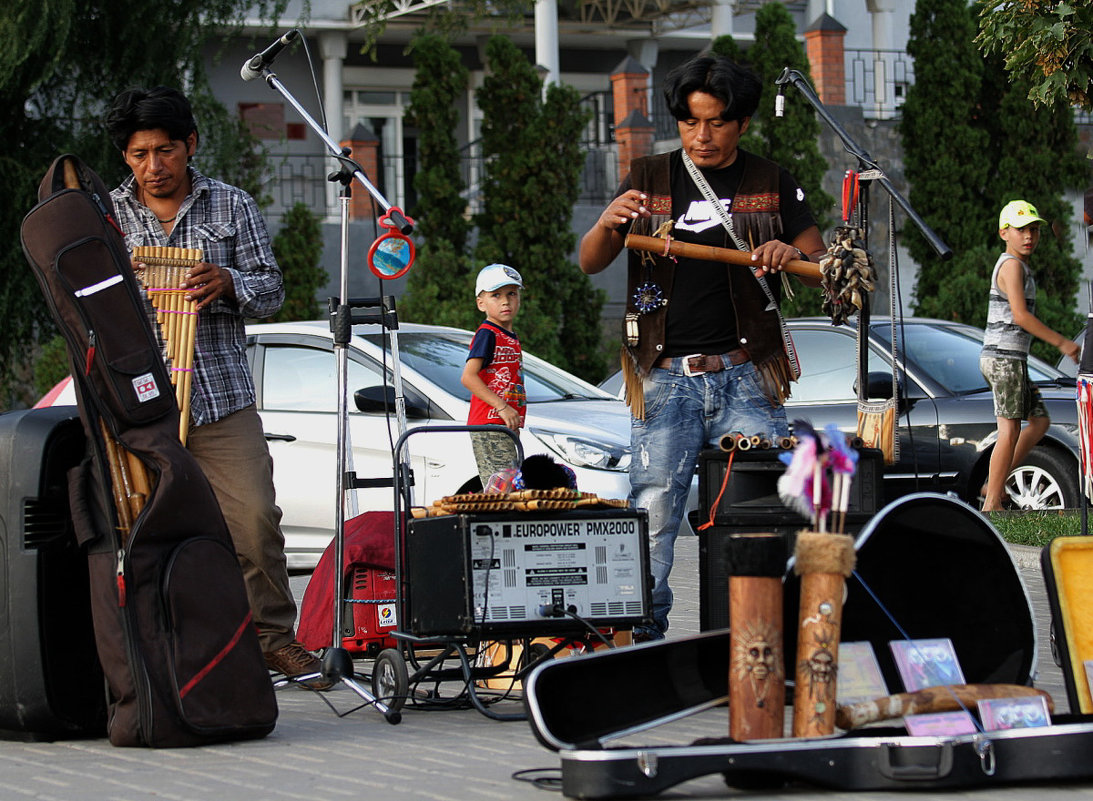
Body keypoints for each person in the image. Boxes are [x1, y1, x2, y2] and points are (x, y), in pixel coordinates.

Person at [578, 54, 825, 640]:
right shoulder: (649, 175)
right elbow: (591, 262)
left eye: (715, 123)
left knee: (760, 512)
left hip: (747, 377)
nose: (702, 136)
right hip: (663, 378)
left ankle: (760, 637)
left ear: (741, 122)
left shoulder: (772, 181)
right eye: (690, 123)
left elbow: (822, 262)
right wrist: (609, 222)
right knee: (655, 516)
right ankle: (643, 640)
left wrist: (791, 255)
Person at [105, 86, 329, 689]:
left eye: (166, 151)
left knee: (255, 519)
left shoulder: (231, 205)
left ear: (191, 145)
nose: (155, 167)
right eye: (140, 154)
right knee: (140, 525)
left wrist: (229, 282)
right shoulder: (106, 216)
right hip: (140, 404)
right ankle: (151, 646)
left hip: (221, 399)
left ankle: (273, 639)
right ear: (126, 158)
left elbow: (273, 289)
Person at [980, 200, 1079, 512]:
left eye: (1034, 230)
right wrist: (1063, 343)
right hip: (1003, 358)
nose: (1029, 236)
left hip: (1012, 359)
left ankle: (993, 484)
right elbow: (1020, 316)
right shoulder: (1009, 265)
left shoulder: (1019, 266)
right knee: (1009, 429)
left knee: (1039, 422)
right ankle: (992, 502)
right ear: (1004, 232)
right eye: (1021, 229)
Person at [461, 263, 526, 489]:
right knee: (502, 490)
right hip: (489, 424)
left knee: (510, 487)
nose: (505, 301)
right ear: (481, 303)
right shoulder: (487, 333)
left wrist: (513, 415)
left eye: (511, 294)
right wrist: (501, 407)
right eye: (495, 295)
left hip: (504, 424)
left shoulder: (509, 336)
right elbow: (469, 377)